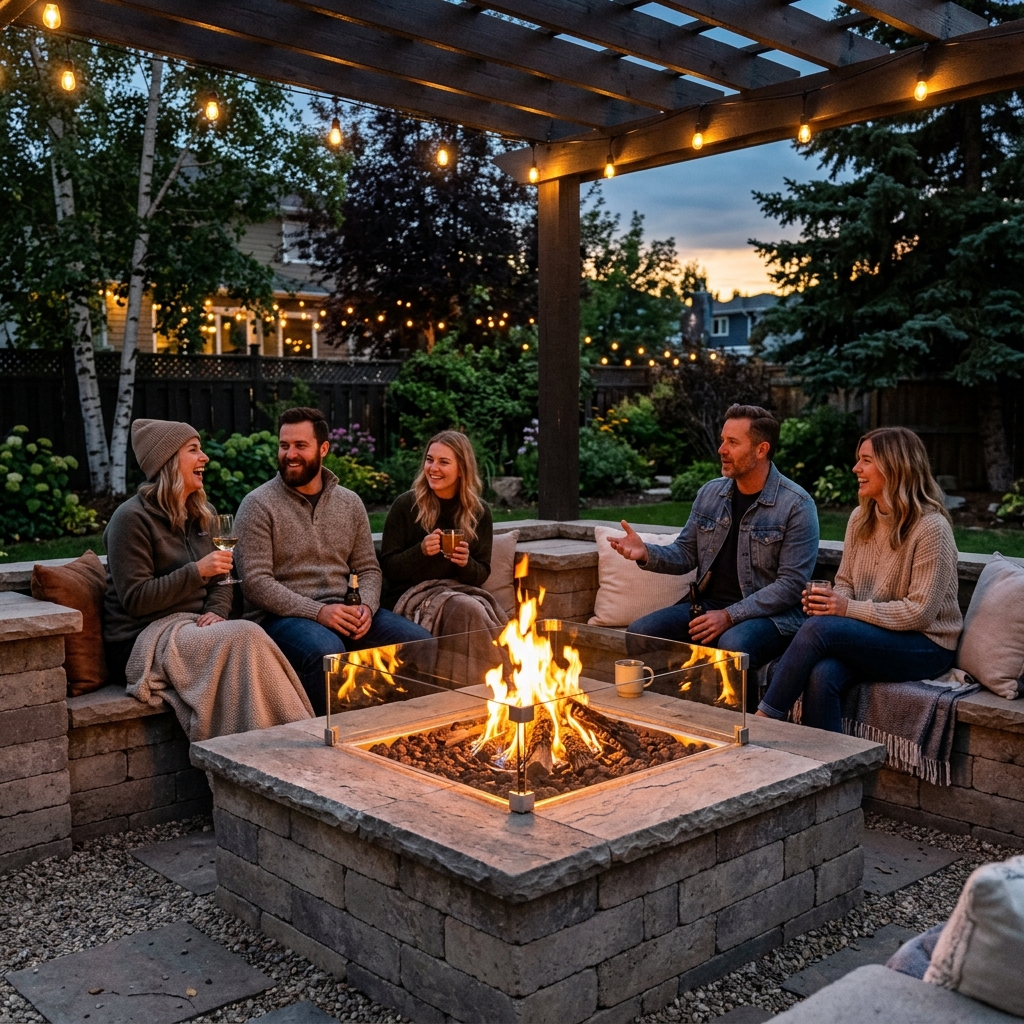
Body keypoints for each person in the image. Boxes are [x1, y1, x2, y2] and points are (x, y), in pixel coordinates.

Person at [103, 418, 313, 741]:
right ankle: (264, 748)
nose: (205, 458)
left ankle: (294, 738)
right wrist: (197, 571)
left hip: (193, 627)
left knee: (246, 636)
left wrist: (216, 611)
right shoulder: (130, 520)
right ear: (169, 461)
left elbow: (222, 579)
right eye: (194, 450)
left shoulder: (203, 512)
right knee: (245, 634)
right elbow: (136, 600)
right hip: (141, 639)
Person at [756, 426, 962, 732]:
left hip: (927, 646)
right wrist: (833, 603)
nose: (856, 468)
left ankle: (765, 721)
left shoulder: (931, 528)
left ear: (895, 466)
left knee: (816, 629)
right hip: (875, 632)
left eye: (865, 460)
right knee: (823, 674)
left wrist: (845, 610)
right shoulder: (860, 518)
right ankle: (826, 766)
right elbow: (846, 582)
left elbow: (920, 613)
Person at [613, 404, 819, 706]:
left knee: (733, 643)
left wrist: (729, 616)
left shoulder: (797, 505)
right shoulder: (711, 493)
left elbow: (790, 586)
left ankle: (740, 729)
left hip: (771, 616)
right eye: (723, 440)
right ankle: (673, 715)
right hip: (708, 606)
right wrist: (646, 553)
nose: (722, 449)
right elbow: (685, 553)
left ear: (761, 449)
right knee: (643, 633)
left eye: (733, 443)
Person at [234, 406, 431, 715]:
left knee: (419, 641)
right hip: (280, 617)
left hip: (345, 608)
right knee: (326, 650)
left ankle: (403, 727)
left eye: (300, 445)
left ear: (323, 448)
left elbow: (368, 567)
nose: (290, 454)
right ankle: (322, 738)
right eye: (284, 445)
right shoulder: (258, 505)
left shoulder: (349, 503)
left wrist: (365, 606)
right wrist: (319, 612)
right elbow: (255, 583)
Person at [380, 431, 505, 682]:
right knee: (468, 609)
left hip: (456, 591)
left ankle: (472, 685)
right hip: (410, 594)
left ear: (462, 468)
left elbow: (480, 574)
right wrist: (421, 551)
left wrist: (465, 563)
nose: (433, 468)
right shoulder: (407, 505)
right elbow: (389, 569)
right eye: (429, 460)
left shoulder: (478, 512)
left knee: (469, 607)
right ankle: (490, 683)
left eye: (443, 462)